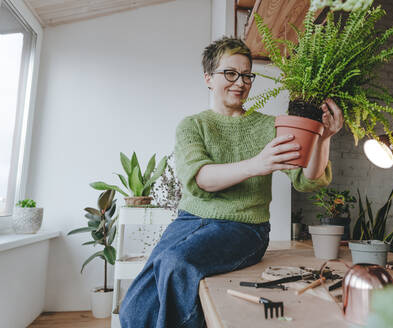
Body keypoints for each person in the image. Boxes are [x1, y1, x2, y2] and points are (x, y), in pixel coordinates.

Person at [119, 36, 343, 328]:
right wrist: (257, 164)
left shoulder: (269, 126)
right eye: (230, 73)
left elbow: (307, 179)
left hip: (244, 229)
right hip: (188, 222)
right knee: (135, 308)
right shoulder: (192, 126)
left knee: (176, 264)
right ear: (208, 78)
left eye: (246, 75)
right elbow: (201, 179)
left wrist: (324, 138)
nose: (240, 82)